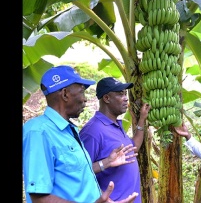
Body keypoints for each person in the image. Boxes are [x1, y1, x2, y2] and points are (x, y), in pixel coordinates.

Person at [23, 65, 139, 203]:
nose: (85, 99)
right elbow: (39, 198)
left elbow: (80, 177)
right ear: (65, 94)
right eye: (82, 92)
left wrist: (107, 163)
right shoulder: (39, 132)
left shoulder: (69, 131)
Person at [79, 77, 151, 203]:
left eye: (125, 94)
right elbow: (81, 173)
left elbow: (134, 148)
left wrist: (141, 120)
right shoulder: (93, 132)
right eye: (120, 94)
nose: (126, 98)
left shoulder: (116, 125)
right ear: (107, 98)